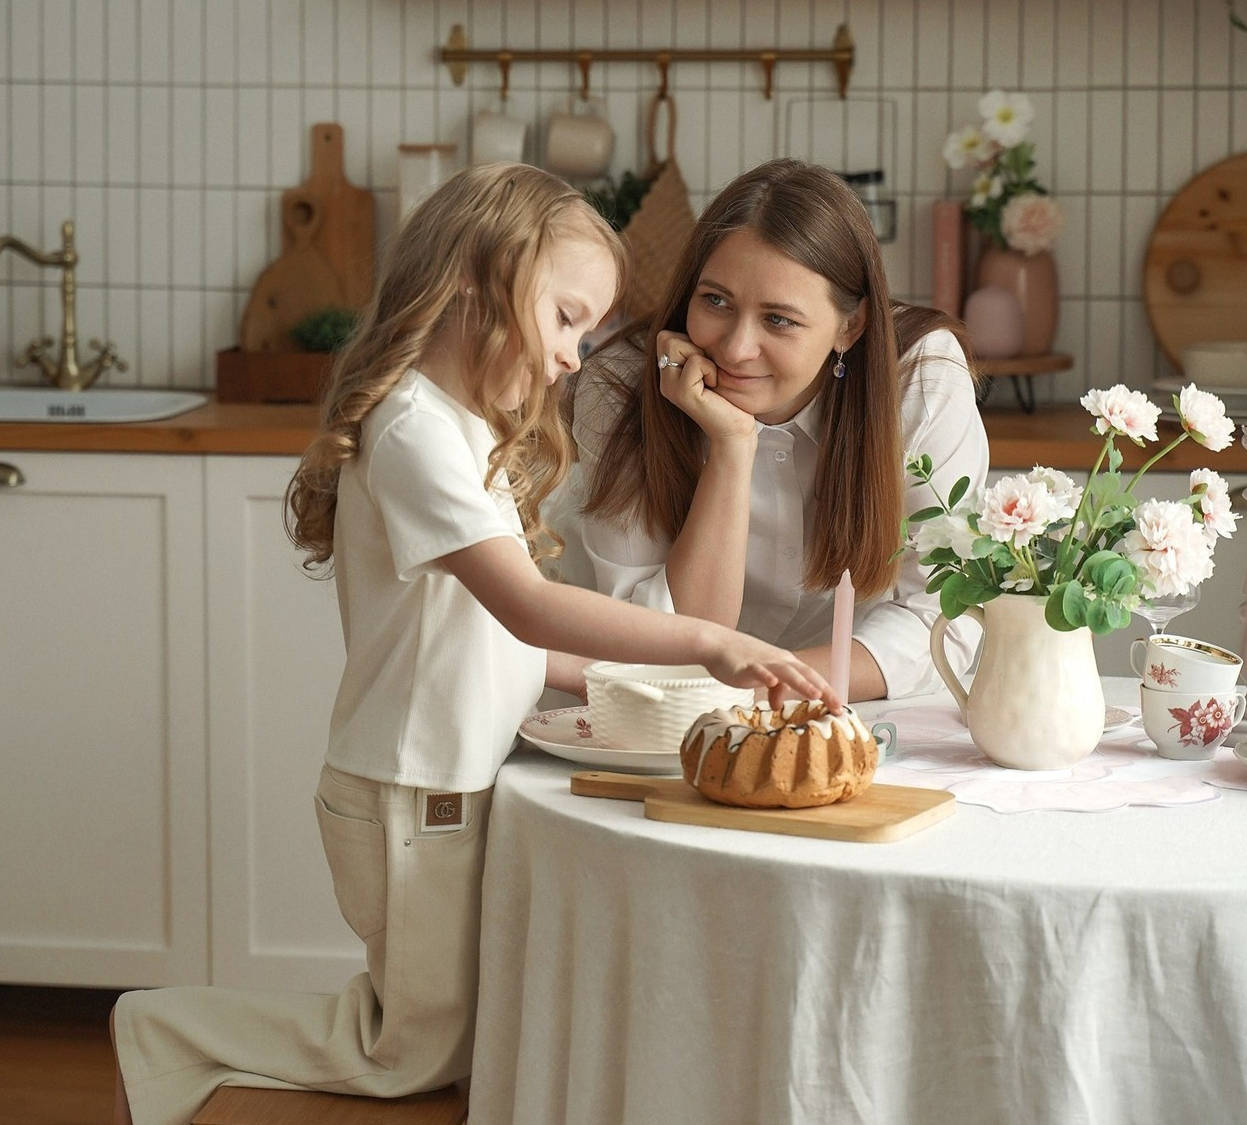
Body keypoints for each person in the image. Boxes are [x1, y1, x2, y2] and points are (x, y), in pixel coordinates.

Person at [107, 162, 836, 1125]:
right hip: (414, 791)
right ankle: (168, 1034)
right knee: (407, 1051)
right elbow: (529, 606)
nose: (577, 355)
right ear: (475, 281)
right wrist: (710, 642)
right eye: (567, 317)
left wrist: (646, 677)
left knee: (441, 1040)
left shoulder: (454, 426)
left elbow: (508, 643)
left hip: (445, 784)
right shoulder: (411, 430)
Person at [553, 158, 990, 703]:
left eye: (779, 319)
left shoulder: (919, 381)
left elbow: (944, 610)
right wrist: (733, 447)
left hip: (854, 707)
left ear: (849, 326)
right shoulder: (621, 387)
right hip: (655, 714)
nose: (735, 348)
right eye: (715, 301)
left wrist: (764, 685)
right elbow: (658, 639)